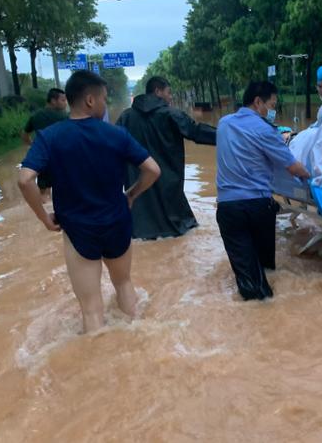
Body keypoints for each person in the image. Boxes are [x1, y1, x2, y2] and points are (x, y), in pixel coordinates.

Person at [18, 70, 161, 333]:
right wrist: (131, 195)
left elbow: (25, 180)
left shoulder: (49, 137)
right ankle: (138, 341)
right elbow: (153, 170)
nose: (106, 104)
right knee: (124, 285)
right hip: (117, 222)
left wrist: (44, 218)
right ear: (90, 101)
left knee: (91, 307)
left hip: (78, 229)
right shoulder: (116, 134)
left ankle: (97, 366)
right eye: (104, 98)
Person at [216, 81, 310, 300]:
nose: (272, 110)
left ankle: (257, 320)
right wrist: (312, 177)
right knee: (266, 267)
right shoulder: (266, 130)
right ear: (258, 102)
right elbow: (293, 167)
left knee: (248, 278)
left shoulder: (223, 124)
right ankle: (270, 319)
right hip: (258, 208)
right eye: (272, 104)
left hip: (228, 209)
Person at [116, 76, 217, 239]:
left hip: (139, 205)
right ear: (158, 91)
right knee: (181, 237)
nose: (170, 97)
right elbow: (196, 132)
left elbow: (111, 149)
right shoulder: (172, 114)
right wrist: (230, 134)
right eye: (169, 92)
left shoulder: (125, 118)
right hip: (172, 200)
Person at [21, 88, 68, 199]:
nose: (65, 103)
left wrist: (33, 146)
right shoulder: (64, 117)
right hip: (61, 158)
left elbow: (24, 134)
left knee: (43, 193)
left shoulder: (36, 116)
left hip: (43, 158)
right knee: (63, 192)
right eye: (63, 100)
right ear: (53, 101)